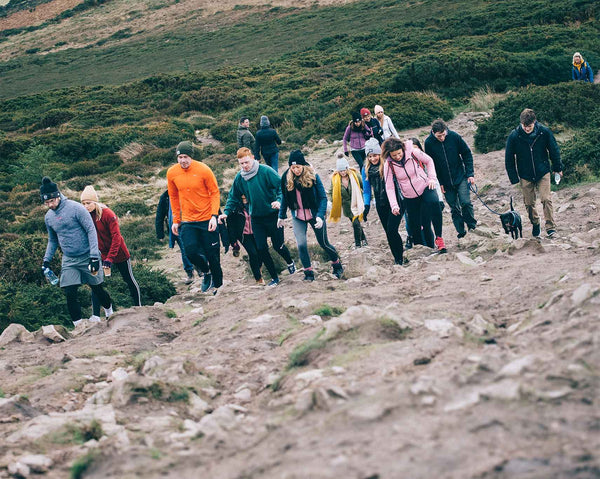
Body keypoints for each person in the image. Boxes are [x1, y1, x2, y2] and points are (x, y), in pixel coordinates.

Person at [40, 177, 113, 327]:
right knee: (70, 291)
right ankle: (78, 326)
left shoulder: (76, 208)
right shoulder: (48, 217)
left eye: (52, 201)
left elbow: (91, 230)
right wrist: (46, 260)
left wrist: (94, 256)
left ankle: (109, 312)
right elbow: (53, 240)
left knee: (97, 288)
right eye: (46, 203)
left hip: (87, 255)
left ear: (58, 196)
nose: (50, 205)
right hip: (69, 259)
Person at [220, 147, 296, 287]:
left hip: (273, 215)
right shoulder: (240, 177)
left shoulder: (265, 171)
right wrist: (226, 212)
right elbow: (233, 196)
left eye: (246, 162)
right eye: (241, 163)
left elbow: (282, 186)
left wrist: (279, 201)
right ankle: (274, 277)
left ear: (253, 158)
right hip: (256, 218)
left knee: (278, 246)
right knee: (261, 249)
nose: (244, 166)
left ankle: (290, 263)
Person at [167, 140, 222, 294]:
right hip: (188, 220)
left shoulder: (204, 169)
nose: (183, 160)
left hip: (206, 219)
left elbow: (215, 193)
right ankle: (206, 272)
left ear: (191, 156)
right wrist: (176, 220)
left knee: (213, 256)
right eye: (180, 157)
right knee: (190, 251)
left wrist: (213, 216)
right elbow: (173, 197)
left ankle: (218, 287)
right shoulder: (172, 172)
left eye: (185, 156)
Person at [279, 150, 344, 281]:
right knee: (301, 245)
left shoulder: (313, 176)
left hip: (314, 214)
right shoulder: (286, 178)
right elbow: (285, 198)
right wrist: (281, 215)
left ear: (303, 165)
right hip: (298, 215)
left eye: (298, 167)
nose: (296, 170)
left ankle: (337, 265)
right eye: (293, 167)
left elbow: (323, 198)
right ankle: (308, 273)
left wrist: (320, 215)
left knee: (324, 243)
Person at [80, 186, 141, 320]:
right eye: (83, 204)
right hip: (100, 254)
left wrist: (110, 258)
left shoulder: (108, 214)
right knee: (96, 283)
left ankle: (139, 307)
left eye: (88, 203)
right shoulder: (86, 216)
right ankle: (96, 315)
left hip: (118, 253)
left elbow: (116, 237)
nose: (86, 206)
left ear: (95, 202)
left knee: (129, 279)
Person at [381, 138, 447, 255]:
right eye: (394, 155)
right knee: (415, 225)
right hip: (409, 196)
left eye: (399, 153)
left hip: (425, 186)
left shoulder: (412, 152)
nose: (397, 157)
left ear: (402, 149)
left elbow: (429, 161)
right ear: (389, 154)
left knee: (434, 203)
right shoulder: (389, 164)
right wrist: (394, 205)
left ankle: (439, 239)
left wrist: (431, 178)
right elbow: (389, 186)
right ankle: (421, 250)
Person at [505, 108, 564, 238]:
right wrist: (514, 177)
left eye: (529, 126)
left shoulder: (544, 132)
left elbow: (554, 150)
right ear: (521, 123)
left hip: (542, 171)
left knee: (546, 199)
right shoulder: (514, 136)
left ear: (534, 122)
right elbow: (509, 158)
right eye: (524, 126)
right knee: (529, 204)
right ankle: (535, 223)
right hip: (525, 174)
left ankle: (550, 227)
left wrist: (557, 167)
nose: (527, 129)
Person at [424, 119, 477, 238]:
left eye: (443, 134)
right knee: (454, 208)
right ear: (433, 133)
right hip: (445, 181)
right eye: (439, 136)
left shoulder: (454, 136)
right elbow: (431, 164)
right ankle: (461, 232)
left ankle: (472, 226)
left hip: (461, 176)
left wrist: (470, 174)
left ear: (446, 131)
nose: (442, 137)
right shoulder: (428, 143)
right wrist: (440, 182)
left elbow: (467, 153)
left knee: (466, 202)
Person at [362, 138, 404, 263]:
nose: (372, 159)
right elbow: (367, 190)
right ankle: (397, 257)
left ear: (379, 154)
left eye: (375, 155)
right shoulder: (366, 169)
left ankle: (400, 257)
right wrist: (366, 205)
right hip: (380, 204)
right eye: (370, 156)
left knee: (392, 230)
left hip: (394, 201)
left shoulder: (388, 164)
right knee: (388, 232)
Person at [156, 190, 198, 285]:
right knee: (184, 249)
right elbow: (160, 215)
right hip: (177, 227)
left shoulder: (188, 190)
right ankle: (190, 272)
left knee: (194, 247)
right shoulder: (166, 196)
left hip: (192, 223)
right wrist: (160, 234)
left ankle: (199, 266)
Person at [225, 194, 265, 285]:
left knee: (261, 251)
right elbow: (230, 226)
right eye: (241, 195)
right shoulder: (235, 208)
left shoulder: (254, 203)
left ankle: (259, 269)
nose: (244, 197)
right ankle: (258, 278)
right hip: (243, 235)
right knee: (253, 253)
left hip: (256, 232)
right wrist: (233, 242)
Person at [329, 156, 367, 248]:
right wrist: (331, 201)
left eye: (344, 170)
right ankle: (363, 239)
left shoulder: (355, 175)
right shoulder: (335, 179)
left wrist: (369, 199)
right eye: (341, 171)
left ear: (347, 168)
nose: (343, 172)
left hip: (357, 202)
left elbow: (364, 187)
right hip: (347, 206)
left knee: (356, 223)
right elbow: (331, 191)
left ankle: (358, 243)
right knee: (355, 224)